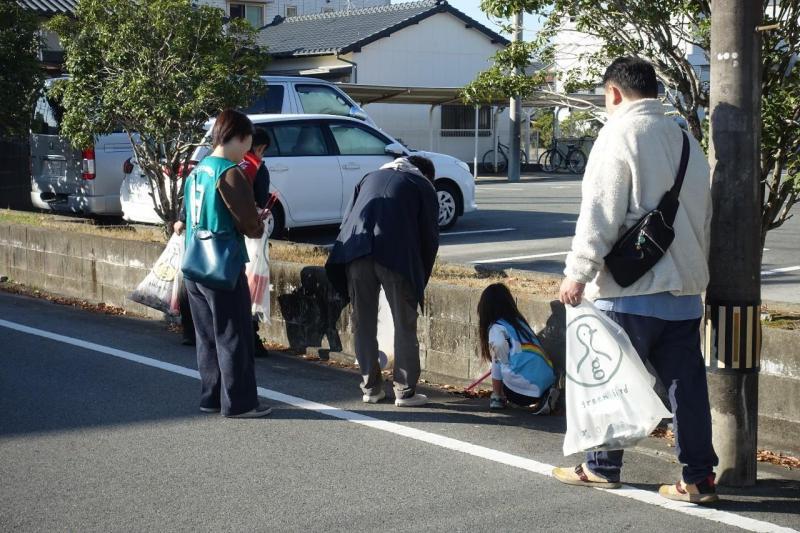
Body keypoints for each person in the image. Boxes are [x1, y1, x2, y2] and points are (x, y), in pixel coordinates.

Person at [552, 57, 719, 503]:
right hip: (683, 291)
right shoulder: (686, 140)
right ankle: (699, 478)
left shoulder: (618, 135)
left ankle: (602, 467)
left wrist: (577, 274)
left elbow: (600, 214)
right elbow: (703, 214)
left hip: (629, 291)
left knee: (610, 382)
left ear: (614, 93)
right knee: (687, 390)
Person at [326, 155, 439, 407]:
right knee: (404, 323)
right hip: (397, 258)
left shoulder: (367, 178)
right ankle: (405, 391)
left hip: (356, 253)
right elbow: (429, 238)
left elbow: (347, 221)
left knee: (363, 322)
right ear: (425, 174)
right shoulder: (422, 186)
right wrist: (420, 278)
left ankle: (370, 388)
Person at [181, 109, 271, 418]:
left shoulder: (197, 170)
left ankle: (211, 397)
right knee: (234, 335)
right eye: (248, 142)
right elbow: (249, 225)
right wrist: (259, 220)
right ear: (241, 138)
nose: (248, 150)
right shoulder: (230, 172)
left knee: (206, 337)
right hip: (222, 264)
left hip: (193, 262)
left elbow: (187, 217)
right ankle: (241, 403)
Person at [477, 283, 558, 414]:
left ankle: (497, 397)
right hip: (548, 379)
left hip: (519, 394)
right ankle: (545, 395)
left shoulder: (496, 328)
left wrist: (504, 362)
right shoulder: (519, 324)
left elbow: (499, 353)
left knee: (497, 357)